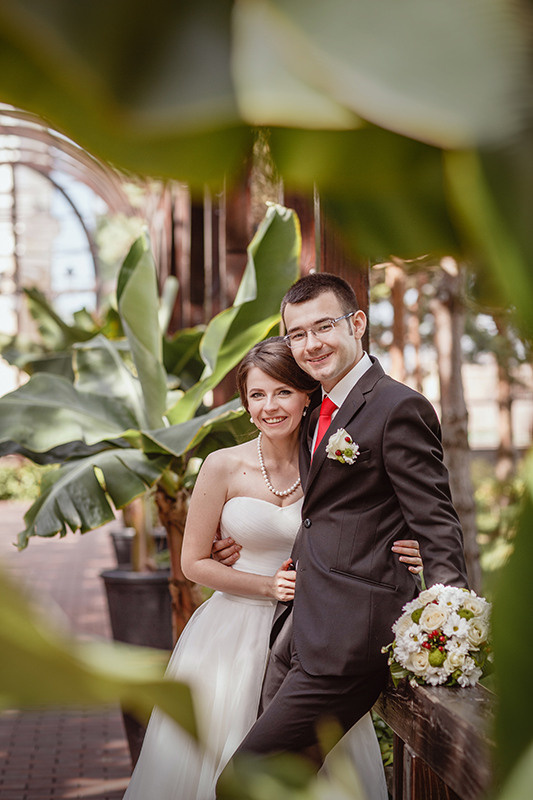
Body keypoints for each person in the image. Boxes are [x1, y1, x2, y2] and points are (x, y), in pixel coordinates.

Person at [123, 338, 423, 800]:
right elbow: (192, 563)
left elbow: (380, 516)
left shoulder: (335, 461)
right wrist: (267, 585)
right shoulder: (222, 465)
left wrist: (411, 547)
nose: (270, 407)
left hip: (319, 633)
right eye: (257, 396)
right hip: (232, 635)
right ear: (245, 405)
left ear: (307, 396)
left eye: (282, 392)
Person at [223, 272, 469, 775]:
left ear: (356, 323)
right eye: (297, 334)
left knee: (246, 778)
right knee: (289, 782)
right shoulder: (315, 411)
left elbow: (437, 523)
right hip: (299, 628)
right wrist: (233, 537)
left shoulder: (397, 406)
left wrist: (448, 629)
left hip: (353, 637)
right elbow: (318, 510)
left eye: (323, 326)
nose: (311, 344)